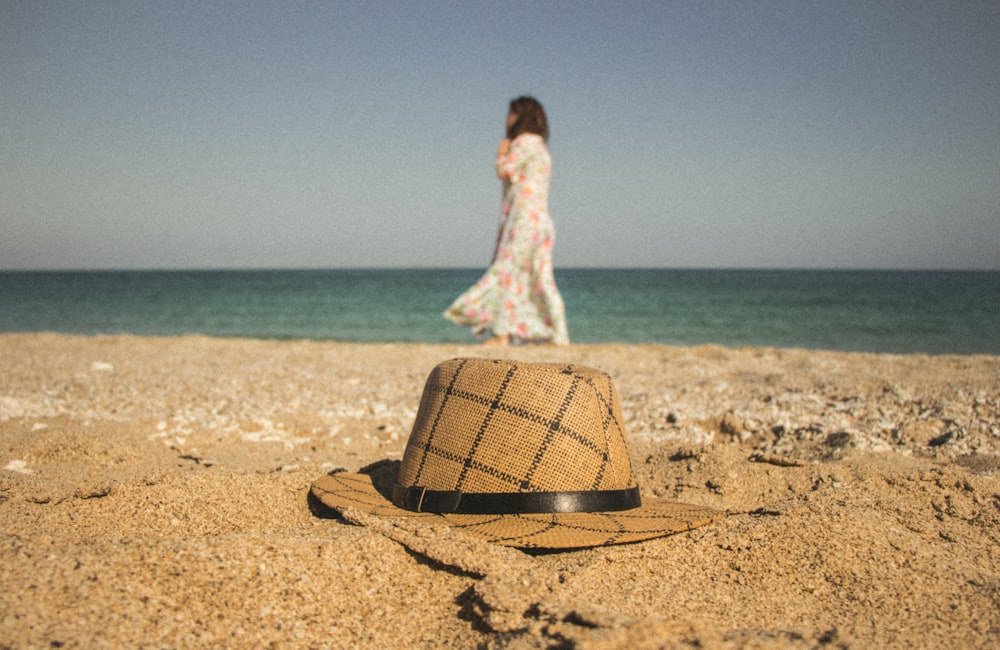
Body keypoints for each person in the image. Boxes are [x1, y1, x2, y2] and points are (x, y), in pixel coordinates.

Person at [444, 96, 570, 346]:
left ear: (521, 116)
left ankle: (501, 333)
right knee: (541, 277)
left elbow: (506, 172)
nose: (507, 119)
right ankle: (558, 334)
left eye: (511, 113)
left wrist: (501, 154)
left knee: (507, 271)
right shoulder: (541, 147)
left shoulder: (522, 143)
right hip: (541, 220)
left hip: (523, 219)